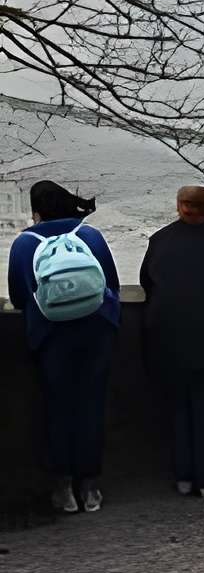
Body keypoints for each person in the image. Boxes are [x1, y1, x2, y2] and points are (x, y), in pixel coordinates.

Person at [7, 180, 121, 516]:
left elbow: (18, 297)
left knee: (58, 409)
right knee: (91, 406)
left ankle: (63, 488)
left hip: (51, 336)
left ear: (37, 211)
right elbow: (110, 284)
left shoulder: (25, 243)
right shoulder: (90, 236)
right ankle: (91, 488)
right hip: (95, 332)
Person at [139, 186, 204, 502]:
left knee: (179, 408)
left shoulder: (160, 239)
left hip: (167, 336)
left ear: (178, 207)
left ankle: (184, 477)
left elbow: (148, 282)